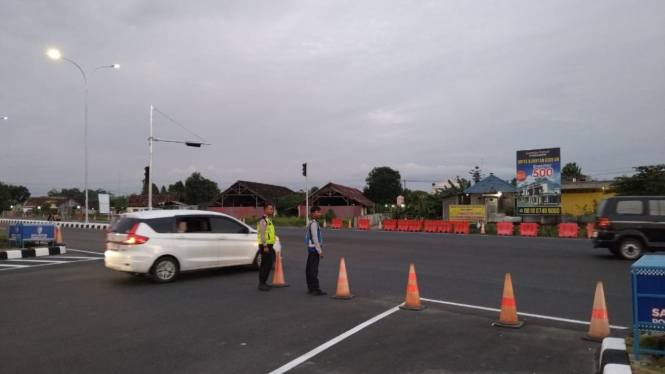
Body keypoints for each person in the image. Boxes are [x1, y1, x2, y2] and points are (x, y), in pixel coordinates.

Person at [305, 206, 326, 296]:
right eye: (317, 212)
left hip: (311, 248)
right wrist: (319, 251)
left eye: (319, 212)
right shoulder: (314, 224)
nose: (319, 213)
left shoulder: (312, 222)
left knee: (309, 268)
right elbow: (315, 238)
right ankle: (315, 288)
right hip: (314, 248)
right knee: (313, 269)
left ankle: (310, 286)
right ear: (312, 213)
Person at [257, 204, 276, 291]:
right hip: (265, 245)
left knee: (265, 263)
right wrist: (265, 246)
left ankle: (263, 282)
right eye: (270, 209)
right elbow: (262, 234)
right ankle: (262, 283)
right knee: (267, 263)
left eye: (272, 209)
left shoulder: (269, 220)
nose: (272, 211)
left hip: (269, 244)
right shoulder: (263, 221)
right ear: (265, 210)